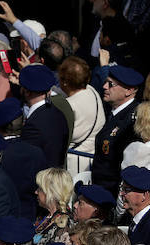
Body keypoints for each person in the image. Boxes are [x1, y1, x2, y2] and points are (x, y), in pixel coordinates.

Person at [91, 66, 143, 195]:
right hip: (102, 188)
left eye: (111, 84)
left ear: (129, 91)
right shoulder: (113, 112)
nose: (104, 87)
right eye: (105, 82)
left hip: (114, 191)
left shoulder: (134, 119)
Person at [58, 56, 104, 177]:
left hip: (75, 165)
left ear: (65, 82)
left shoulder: (70, 106)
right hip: (90, 161)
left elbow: (62, 136)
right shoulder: (91, 90)